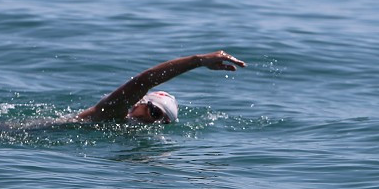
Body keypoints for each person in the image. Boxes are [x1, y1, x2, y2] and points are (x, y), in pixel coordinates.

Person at [36, 50, 246, 129]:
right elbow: (144, 81)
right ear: (139, 102)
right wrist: (198, 61)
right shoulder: (110, 115)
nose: (154, 121)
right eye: (154, 112)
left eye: (163, 121)